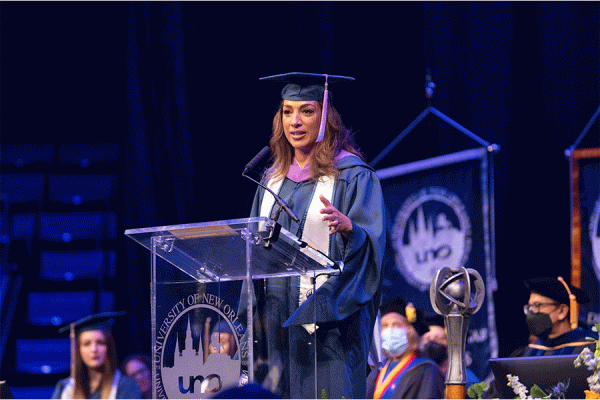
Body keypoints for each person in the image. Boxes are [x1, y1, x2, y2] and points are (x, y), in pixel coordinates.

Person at [246, 72, 386, 399]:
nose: (295, 121)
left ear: (326, 118)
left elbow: (375, 248)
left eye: (307, 111)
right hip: (273, 336)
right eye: (287, 111)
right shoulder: (271, 180)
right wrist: (243, 320)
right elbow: (250, 254)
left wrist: (353, 231)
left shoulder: (352, 176)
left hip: (328, 334)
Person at [484, 276, 598, 398]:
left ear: (562, 311)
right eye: (529, 307)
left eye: (538, 305)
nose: (532, 312)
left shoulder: (591, 350)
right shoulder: (524, 354)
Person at [366, 296, 445, 399]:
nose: (390, 331)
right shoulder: (378, 370)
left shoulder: (426, 370)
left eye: (397, 325)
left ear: (411, 332)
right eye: (385, 325)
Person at [52, 312, 142, 399]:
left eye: (100, 343)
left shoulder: (126, 386)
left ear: (109, 346)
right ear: (78, 350)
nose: (94, 349)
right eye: (86, 344)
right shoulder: (65, 387)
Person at [419, 314, 480, 387]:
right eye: (427, 339)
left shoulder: (466, 379)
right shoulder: (417, 377)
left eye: (438, 339)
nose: (431, 344)